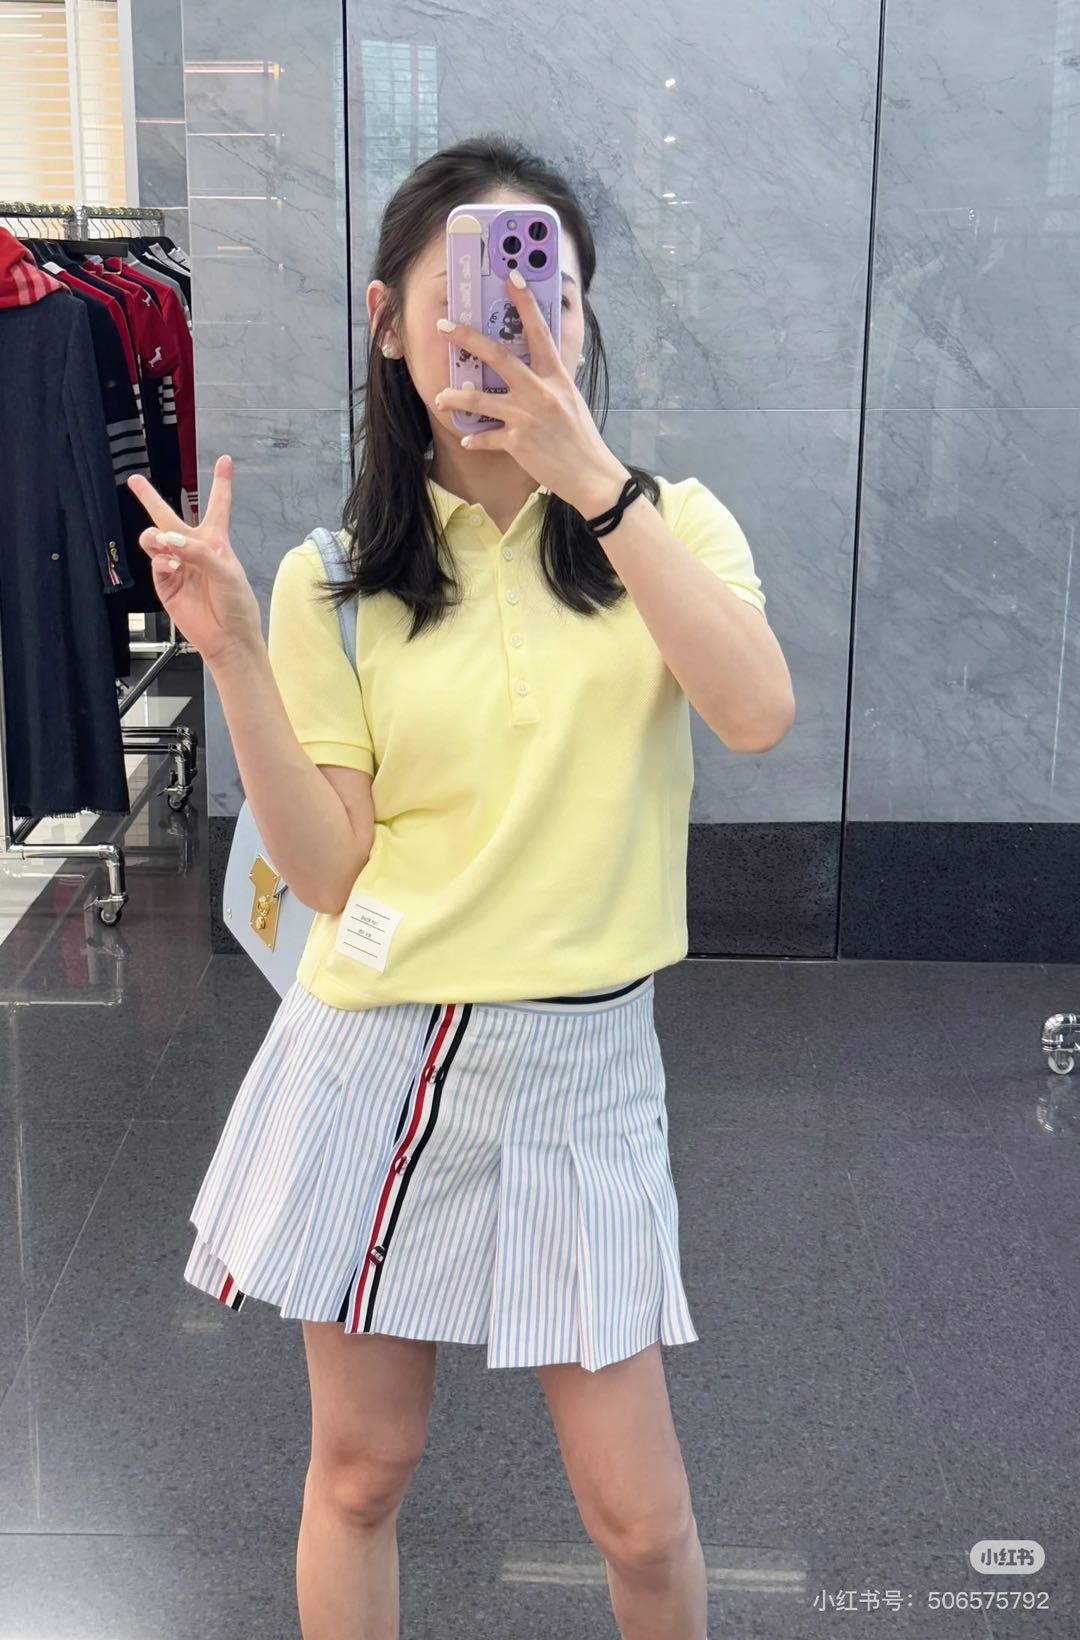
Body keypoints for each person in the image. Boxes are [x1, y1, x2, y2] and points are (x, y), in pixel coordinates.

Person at [127, 134, 794, 1640]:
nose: (508, 326)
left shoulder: (672, 524)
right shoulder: (329, 579)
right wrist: (235, 654)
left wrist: (593, 484)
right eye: (469, 293)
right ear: (386, 322)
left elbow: (755, 711)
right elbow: (326, 868)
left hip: (587, 1063)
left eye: (545, 289)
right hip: (385, 1051)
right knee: (363, 1470)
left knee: (641, 1518)